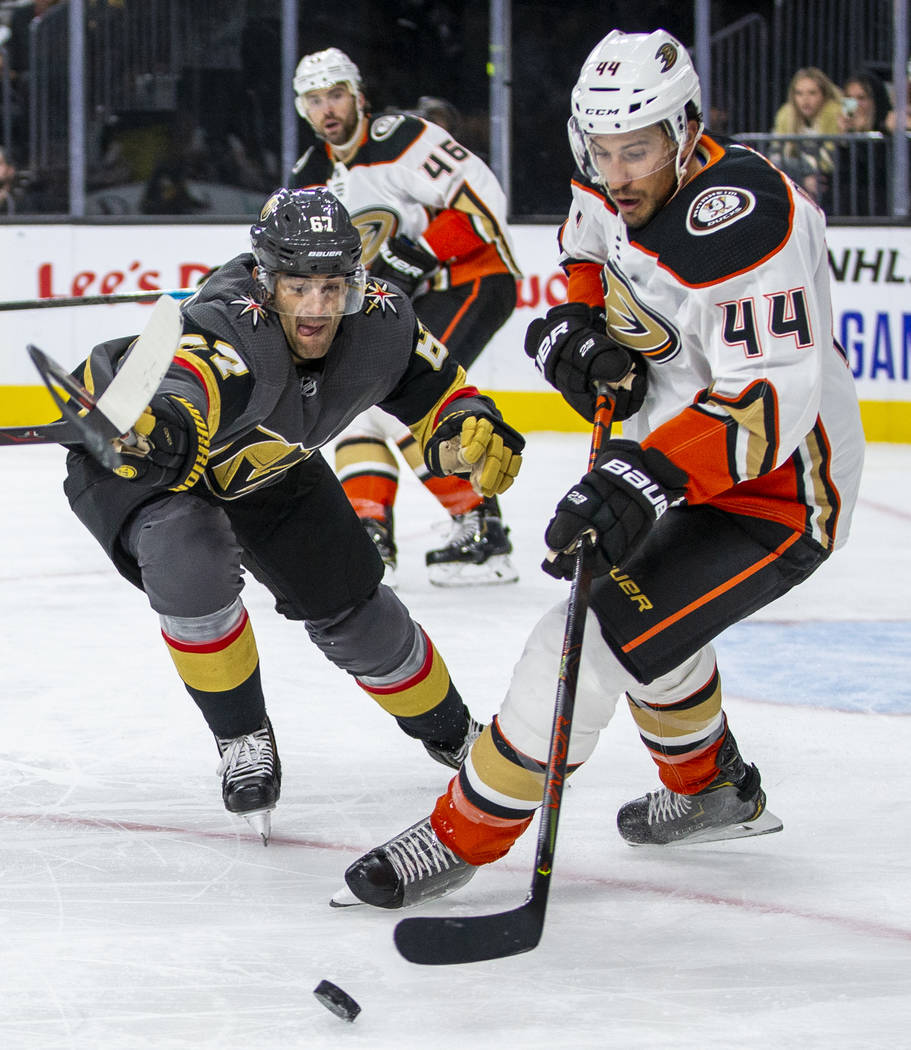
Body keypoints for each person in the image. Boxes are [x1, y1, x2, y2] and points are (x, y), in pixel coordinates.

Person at [337, 28, 866, 911]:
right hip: (680, 451)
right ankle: (712, 790)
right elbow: (588, 261)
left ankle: (463, 832)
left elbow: (769, 403)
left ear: (688, 129)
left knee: (581, 637)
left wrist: (642, 477)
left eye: (639, 149)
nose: (617, 172)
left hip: (777, 493)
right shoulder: (605, 173)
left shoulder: (748, 220)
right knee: (652, 631)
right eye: (602, 150)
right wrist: (577, 334)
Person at [62, 186, 524, 845]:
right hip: (150, 459)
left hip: (260, 461)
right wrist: (164, 420)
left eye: (332, 286)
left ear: (355, 280)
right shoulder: (228, 317)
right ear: (265, 277)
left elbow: (442, 391)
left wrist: (467, 428)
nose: (315, 309)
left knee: (357, 609)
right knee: (188, 553)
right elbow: (190, 378)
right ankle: (242, 738)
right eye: (297, 287)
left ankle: (453, 734)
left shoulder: (384, 321)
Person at [288, 48, 522, 588]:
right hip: (407, 298)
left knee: (400, 392)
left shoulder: (400, 137)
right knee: (358, 400)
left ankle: (480, 529)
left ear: (359, 95)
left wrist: (414, 255)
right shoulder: (311, 175)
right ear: (304, 108)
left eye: (337, 93)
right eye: (316, 98)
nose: (329, 108)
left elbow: (480, 202)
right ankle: (373, 533)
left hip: (473, 277)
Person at [771, 66, 842, 204]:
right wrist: (803, 176)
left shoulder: (834, 112)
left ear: (823, 94)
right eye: (799, 93)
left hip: (829, 181)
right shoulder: (786, 114)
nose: (805, 100)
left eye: (812, 93)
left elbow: (828, 161)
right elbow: (776, 155)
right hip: (797, 178)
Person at [833, 69, 892, 216]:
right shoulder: (845, 134)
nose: (855, 105)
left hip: (880, 208)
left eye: (861, 98)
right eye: (850, 98)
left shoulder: (887, 131)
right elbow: (842, 175)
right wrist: (845, 140)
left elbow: (878, 173)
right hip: (849, 210)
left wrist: (861, 138)